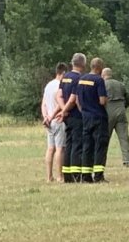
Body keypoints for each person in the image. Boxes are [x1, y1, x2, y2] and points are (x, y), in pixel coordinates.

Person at [74, 57, 109, 183]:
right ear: (99, 68)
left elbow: (77, 100)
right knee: (100, 146)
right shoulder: (99, 80)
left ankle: (86, 176)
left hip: (86, 117)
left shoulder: (81, 79)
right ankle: (98, 176)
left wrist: (83, 111)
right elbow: (102, 100)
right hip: (98, 117)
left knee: (87, 146)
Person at [56, 53, 86, 183]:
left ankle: (67, 175)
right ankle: (75, 174)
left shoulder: (65, 77)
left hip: (67, 117)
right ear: (83, 64)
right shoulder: (79, 78)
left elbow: (58, 95)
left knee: (68, 144)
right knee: (77, 144)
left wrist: (63, 110)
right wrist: (65, 110)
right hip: (76, 116)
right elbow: (73, 99)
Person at [41, 62, 68, 182]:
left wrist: (46, 117)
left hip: (48, 121)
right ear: (63, 73)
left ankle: (48, 177)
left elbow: (44, 103)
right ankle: (60, 176)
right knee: (60, 149)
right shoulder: (60, 85)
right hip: (57, 119)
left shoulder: (48, 85)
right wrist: (52, 116)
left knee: (50, 148)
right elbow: (59, 103)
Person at [101, 67, 129, 167]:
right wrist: (124, 106)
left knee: (105, 137)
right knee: (124, 137)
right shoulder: (120, 84)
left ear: (103, 75)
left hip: (108, 111)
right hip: (121, 110)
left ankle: (101, 160)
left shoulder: (103, 84)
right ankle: (127, 161)